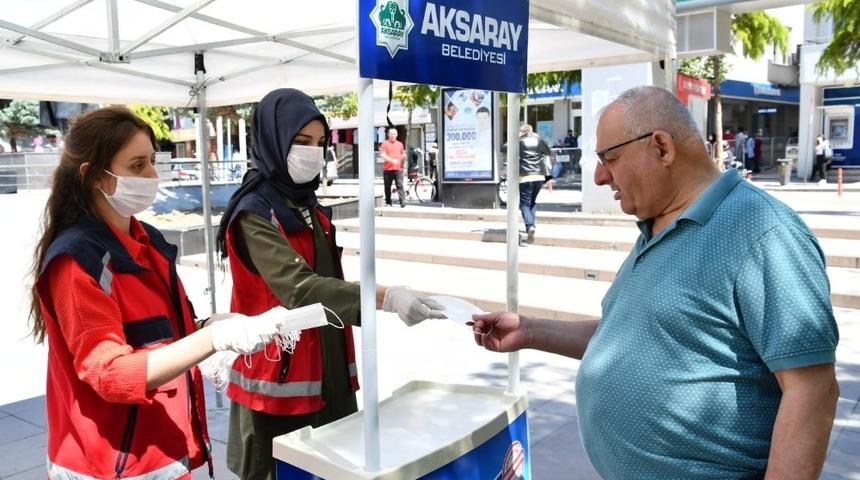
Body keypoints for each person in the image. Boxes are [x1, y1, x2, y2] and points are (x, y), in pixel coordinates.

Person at [472, 86, 839, 479]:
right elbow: (633, 334)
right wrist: (530, 330)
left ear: (662, 147)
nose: (598, 176)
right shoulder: (658, 223)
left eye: (609, 158)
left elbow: (812, 390)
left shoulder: (763, 232)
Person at [29, 107, 290, 479]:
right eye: (137, 166)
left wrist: (206, 327)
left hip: (161, 450)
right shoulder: (76, 261)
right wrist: (211, 339)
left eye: (152, 161)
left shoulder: (146, 239)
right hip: (107, 462)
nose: (152, 176)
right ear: (94, 177)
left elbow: (158, 335)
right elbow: (110, 373)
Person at [215, 89, 446, 480]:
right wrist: (384, 298)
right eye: (301, 142)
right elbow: (300, 289)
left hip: (327, 368)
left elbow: (327, 280)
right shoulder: (254, 214)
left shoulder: (306, 205)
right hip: (279, 381)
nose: (313, 152)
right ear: (272, 140)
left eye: (320, 143)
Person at [506, 124, 551, 243]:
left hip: (525, 176)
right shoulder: (538, 139)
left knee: (524, 203)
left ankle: (530, 225)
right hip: (540, 175)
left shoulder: (519, 141)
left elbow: (504, 147)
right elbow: (548, 151)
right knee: (532, 202)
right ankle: (531, 226)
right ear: (531, 131)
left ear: (522, 132)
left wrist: (515, 137)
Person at [380, 127, 407, 207]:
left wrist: (403, 156)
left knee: (400, 185)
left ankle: (403, 201)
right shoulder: (385, 144)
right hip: (388, 169)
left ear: (397, 135)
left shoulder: (400, 144)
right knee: (387, 186)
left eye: (394, 134)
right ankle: (388, 202)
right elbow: (383, 155)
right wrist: (392, 160)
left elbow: (403, 153)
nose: (393, 135)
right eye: (391, 134)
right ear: (388, 135)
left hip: (398, 169)